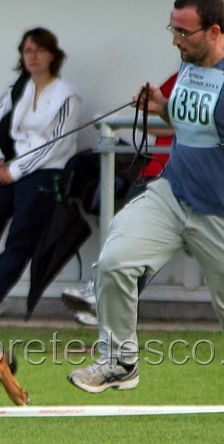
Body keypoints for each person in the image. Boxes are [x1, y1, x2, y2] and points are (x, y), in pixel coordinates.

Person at [67, 0, 224, 406]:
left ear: (213, 31)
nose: (175, 40)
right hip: (174, 195)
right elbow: (196, 119)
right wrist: (162, 106)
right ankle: (119, 362)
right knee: (116, 261)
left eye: (183, 32)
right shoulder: (190, 64)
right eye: (171, 30)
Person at [0, 27, 82, 318]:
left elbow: (56, 143)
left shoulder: (67, 94)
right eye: (27, 50)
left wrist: (15, 170)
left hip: (44, 174)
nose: (33, 56)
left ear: (52, 55)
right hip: (8, 171)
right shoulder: (18, 88)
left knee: (20, 240)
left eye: (39, 50)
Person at [63, 73, 178, 326]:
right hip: (151, 173)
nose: (177, 40)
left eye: (183, 34)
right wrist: (140, 117)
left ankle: (104, 300)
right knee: (125, 234)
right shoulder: (177, 78)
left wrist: (145, 119)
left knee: (144, 248)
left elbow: (184, 125)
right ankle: (100, 295)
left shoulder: (223, 78)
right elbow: (160, 124)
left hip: (185, 180)